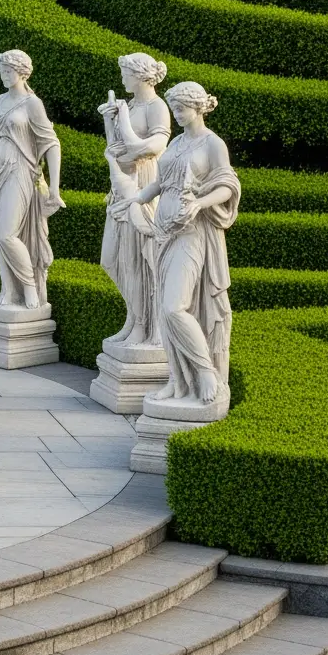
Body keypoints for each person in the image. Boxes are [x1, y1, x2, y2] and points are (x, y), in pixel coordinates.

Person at [131, 83, 241, 406]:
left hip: (193, 234)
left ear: (198, 107)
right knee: (166, 313)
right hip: (164, 235)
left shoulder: (213, 144)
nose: (177, 113)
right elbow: (161, 183)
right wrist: (137, 199)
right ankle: (178, 381)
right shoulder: (177, 143)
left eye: (181, 107)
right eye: (174, 107)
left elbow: (228, 185)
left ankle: (206, 372)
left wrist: (200, 203)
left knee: (174, 307)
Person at [96, 55, 171, 351]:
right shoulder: (132, 106)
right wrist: (109, 120)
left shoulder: (157, 107)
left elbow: (152, 147)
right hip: (122, 182)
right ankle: (133, 319)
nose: (123, 80)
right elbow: (115, 147)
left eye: (125, 74)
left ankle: (142, 326)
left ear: (140, 75)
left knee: (138, 259)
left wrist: (123, 118)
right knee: (113, 259)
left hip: (144, 183)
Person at [0, 49, 62, 310]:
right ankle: (8, 292)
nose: (4, 76)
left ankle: (29, 288)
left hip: (19, 171)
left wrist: (55, 189)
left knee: (7, 234)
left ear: (22, 72)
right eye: (1, 71)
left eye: (8, 71)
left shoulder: (31, 104)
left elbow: (51, 143)